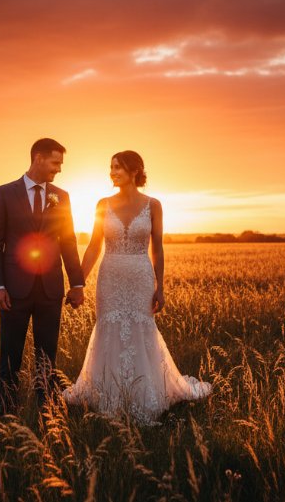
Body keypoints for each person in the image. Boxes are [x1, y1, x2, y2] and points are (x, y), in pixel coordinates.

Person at [62, 150, 211, 424]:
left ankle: (145, 395)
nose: (112, 172)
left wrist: (160, 287)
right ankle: (108, 395)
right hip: (110, 277)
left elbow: (158, 249)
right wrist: (78, 284)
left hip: (141, 277)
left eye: (118, 167)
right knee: (110, 328)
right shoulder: (102, 204)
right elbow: (94, 247)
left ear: (134, 170)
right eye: (111, 167)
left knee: (141, 329)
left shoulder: (153, 205)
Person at [0, 138, 86, 415]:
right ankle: (5, 413)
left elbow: (68, 241)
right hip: (13, 291)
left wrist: (77, 284)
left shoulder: (61, 196)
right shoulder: (5, 193)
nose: (59, 169)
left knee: (47, 357)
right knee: (9, 357)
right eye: (56, 163)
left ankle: (47, 412)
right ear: (38, 158)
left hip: (50, 290)